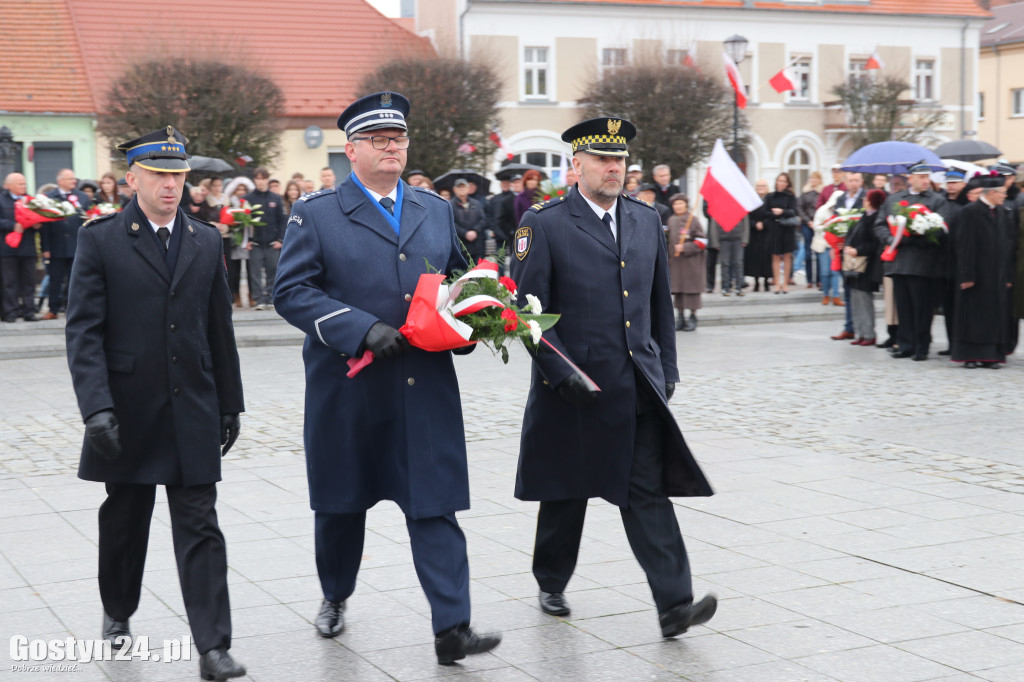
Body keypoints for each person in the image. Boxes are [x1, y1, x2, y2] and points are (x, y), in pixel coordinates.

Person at [272, 91, 501, 665]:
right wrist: (359, 327)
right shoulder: (317, 211)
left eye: (398, 138)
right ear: (351, 150)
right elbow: (291, 291)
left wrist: (476, 321)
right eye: (378, 140)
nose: (392, 147)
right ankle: (335, 595)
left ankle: (453, 627)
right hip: (349, 384)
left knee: (435, 502)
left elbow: (455, 278)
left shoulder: (434, 207)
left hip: (423, 382)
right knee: (342, 503)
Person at [510, 116, 716, 638]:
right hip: (572, 388)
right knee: (566, 490)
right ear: (575, 165)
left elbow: (658, 304)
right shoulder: (545, 223)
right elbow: (526, 312)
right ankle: (551, 579)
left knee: (645, 492)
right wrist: (560, 372)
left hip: (633, 385)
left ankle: (674, 605)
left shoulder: (646, 220)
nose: (613, 169)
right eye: (602, 160)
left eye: (620, 160)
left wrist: (665, 368)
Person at [64, 127, 246, 681]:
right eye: (161, 175)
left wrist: (230, 404)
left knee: (200, 524)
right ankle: (117, 612)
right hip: (128, 409)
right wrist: (96, 408)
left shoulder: (206, 239)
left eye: (179, 176)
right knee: (126, 519)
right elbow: (84, 333)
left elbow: (219, 328)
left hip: (191, 403)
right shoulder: (101, 240)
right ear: (133, 178)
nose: (172, 186)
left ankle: (213, 646)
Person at [874, 162, 948, 361]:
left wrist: (920, 237)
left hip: (924, 263)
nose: (925, 181)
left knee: (922, 307)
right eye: (921, 177)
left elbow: (942, 228)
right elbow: (880, 224)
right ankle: (905, 344)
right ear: (910, 178)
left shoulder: (936, 200)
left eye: (927, 177)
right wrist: (892, 240)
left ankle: (921, 346)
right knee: (903, 306)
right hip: (899, 262)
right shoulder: (895, 199)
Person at [950, 175, 1015, 367]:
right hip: (976, 275)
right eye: (1002, 193)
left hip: (997, 275)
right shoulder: (969, 212)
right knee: (973, 316)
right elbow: (964, 245)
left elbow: (1009, 245)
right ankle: (970, 356)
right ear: (992, 193)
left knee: (994, 315)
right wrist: (967, 275)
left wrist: (1008, 275)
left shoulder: (1003, 212)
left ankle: (991, 356)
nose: (1005, 196)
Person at [41, 169, 89, 318]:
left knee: (74, 279)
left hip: (77, 244)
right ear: (60, 180)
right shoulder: (49, 197)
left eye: (74, 179)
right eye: (70, 179)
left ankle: (71, 309)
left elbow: (87, 220)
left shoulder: (82, 197)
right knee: (55, 278)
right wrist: (45, 247)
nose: (74, 182)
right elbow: (44, 225)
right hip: (56, 245)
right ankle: (53, 309)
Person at [843, 188, 884, 345]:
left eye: (867, 198)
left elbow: (874, 244)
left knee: (864, 300)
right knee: (855, 299)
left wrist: (857, 249)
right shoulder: (864, 216)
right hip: (855, 265)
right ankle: (860, 332)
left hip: (867, 266)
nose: (863, 201)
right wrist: (848, 246)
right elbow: (853, 234)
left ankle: (869, 334)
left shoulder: (875, 219)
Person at [827, 172, 865, 340]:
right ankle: (849, 327)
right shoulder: (840, 199)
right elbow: (836, 222)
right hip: (843, 251)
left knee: (860, 293)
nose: (853, 183)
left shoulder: (865, 198)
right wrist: (835, 243)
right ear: (846, 182)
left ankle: (863, 330)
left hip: (860, 251)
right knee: (848, 290)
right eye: (850, 180)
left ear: (861, 181)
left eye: (856, 180)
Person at [243, 168, 286, 310]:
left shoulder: (276, 198)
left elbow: (282, 220)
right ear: (255, 180)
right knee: (255, 273)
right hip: (255, 243)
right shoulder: (248, 198)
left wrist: (280, 239)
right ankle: (259, 299)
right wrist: (247, 240)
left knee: (273, 270)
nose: (260, 181)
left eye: (263, 178)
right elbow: (244, 222)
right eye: (258, 178)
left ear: (267, 180)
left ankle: (271, 297)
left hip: (273, 242)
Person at [1, 172, 40, 322]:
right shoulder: (2, 199)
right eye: (20, 184)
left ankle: (29, 311)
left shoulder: (30, 200)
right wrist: (11, 225)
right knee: (9, 282)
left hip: (27, 247)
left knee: (29, 281)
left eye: (24, 183)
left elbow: (39, 217)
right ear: (9, 185)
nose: (23, 186)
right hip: (7, 248)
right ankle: (10, 312)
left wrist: (37, 224)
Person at [667, 194, 706, 330]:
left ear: (686, 205)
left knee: (692, 291)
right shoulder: (671, 220)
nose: (678, 206)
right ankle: (680, 317)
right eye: (675, 204)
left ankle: (693, 317)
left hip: (691, 263)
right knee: (678, 291)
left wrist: (685, 247)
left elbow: (702, 241)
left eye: (680, 204)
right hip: (676, 263)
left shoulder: (693, 220)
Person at [764, 173, 799, 294]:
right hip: (774, 228)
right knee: (775, 256)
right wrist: (774, 214)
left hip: (787, 228)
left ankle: (785, 283)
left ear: (787, 183)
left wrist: (782, 211)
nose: (781, 183)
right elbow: (765, 213)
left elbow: (794, 211)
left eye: (784, 181)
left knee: (787, 256)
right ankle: (777, 284)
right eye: (779, 180)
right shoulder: (770, 196)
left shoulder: (791, 197)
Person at [451, 177, 487, 263]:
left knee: (478, 273)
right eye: (459, 187)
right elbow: (451, 223)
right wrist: (465, 233)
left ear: (468, 188)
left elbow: (483, 220)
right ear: (454, 189)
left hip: (477, 245)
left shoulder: (477, 203)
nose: (462, 189)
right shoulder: (450, 205)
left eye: (464, 187)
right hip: (460, 246)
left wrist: (475, 231)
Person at [746, 179, 773, 292]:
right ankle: (756, 282)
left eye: (763, 186)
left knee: (766, 259)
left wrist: (764, 223)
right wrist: (755, 224)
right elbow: (748, 216)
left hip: (767, 233)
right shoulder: (752, 200)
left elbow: (771, 215)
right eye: (758, 186)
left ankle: (766, 282)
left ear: (767, 188)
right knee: (755, 259)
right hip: (754, 234)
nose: (761, 188)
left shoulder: (770, 200)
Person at [798, 171, 823, 288]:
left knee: (818, 251)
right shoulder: (805, 193)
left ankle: (819, 279)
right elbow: (800, 208)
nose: (813, 180)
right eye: (812, 178)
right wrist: (808, 221)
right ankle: (809, 279)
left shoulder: (822, 192)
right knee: (808, 252)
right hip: (807, 224)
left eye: (815, 178)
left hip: (818, 224)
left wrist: (817, 221)